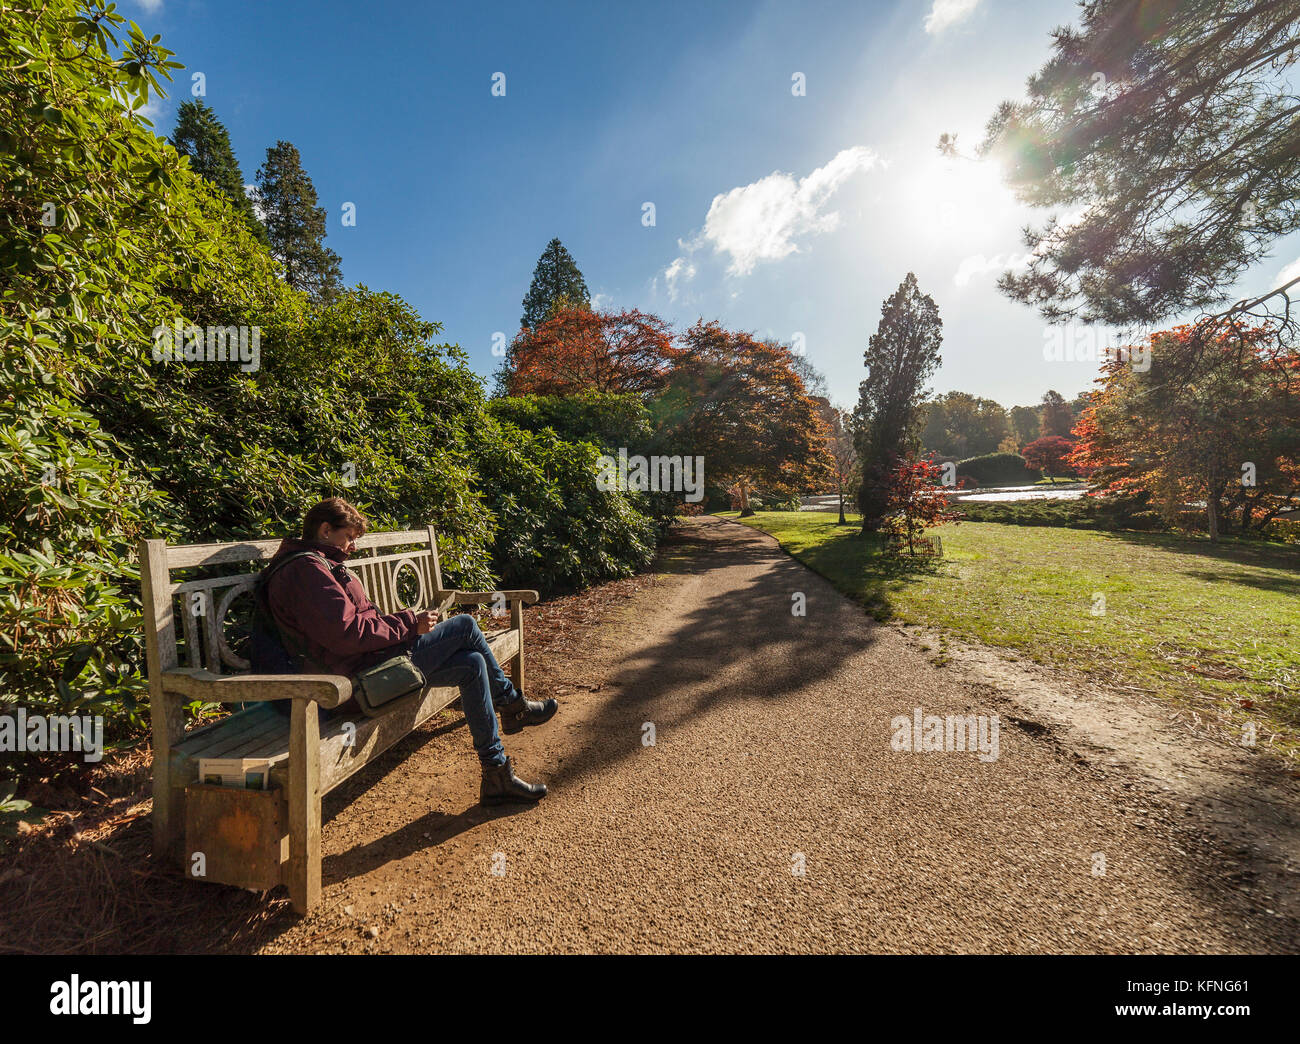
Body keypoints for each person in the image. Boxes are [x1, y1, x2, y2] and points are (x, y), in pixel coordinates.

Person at [263, 497, 555, 805]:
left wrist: (400, 622)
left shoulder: (320, 564)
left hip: (367, 664)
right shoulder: (306, 570)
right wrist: (408, 624)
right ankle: (512, 706)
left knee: (472, 664)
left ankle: (496, 774)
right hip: (352, 684)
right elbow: (348, 635)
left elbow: (357, 624)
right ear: (325, 530)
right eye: (348, 537)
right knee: (466, 625)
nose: (353, 546)